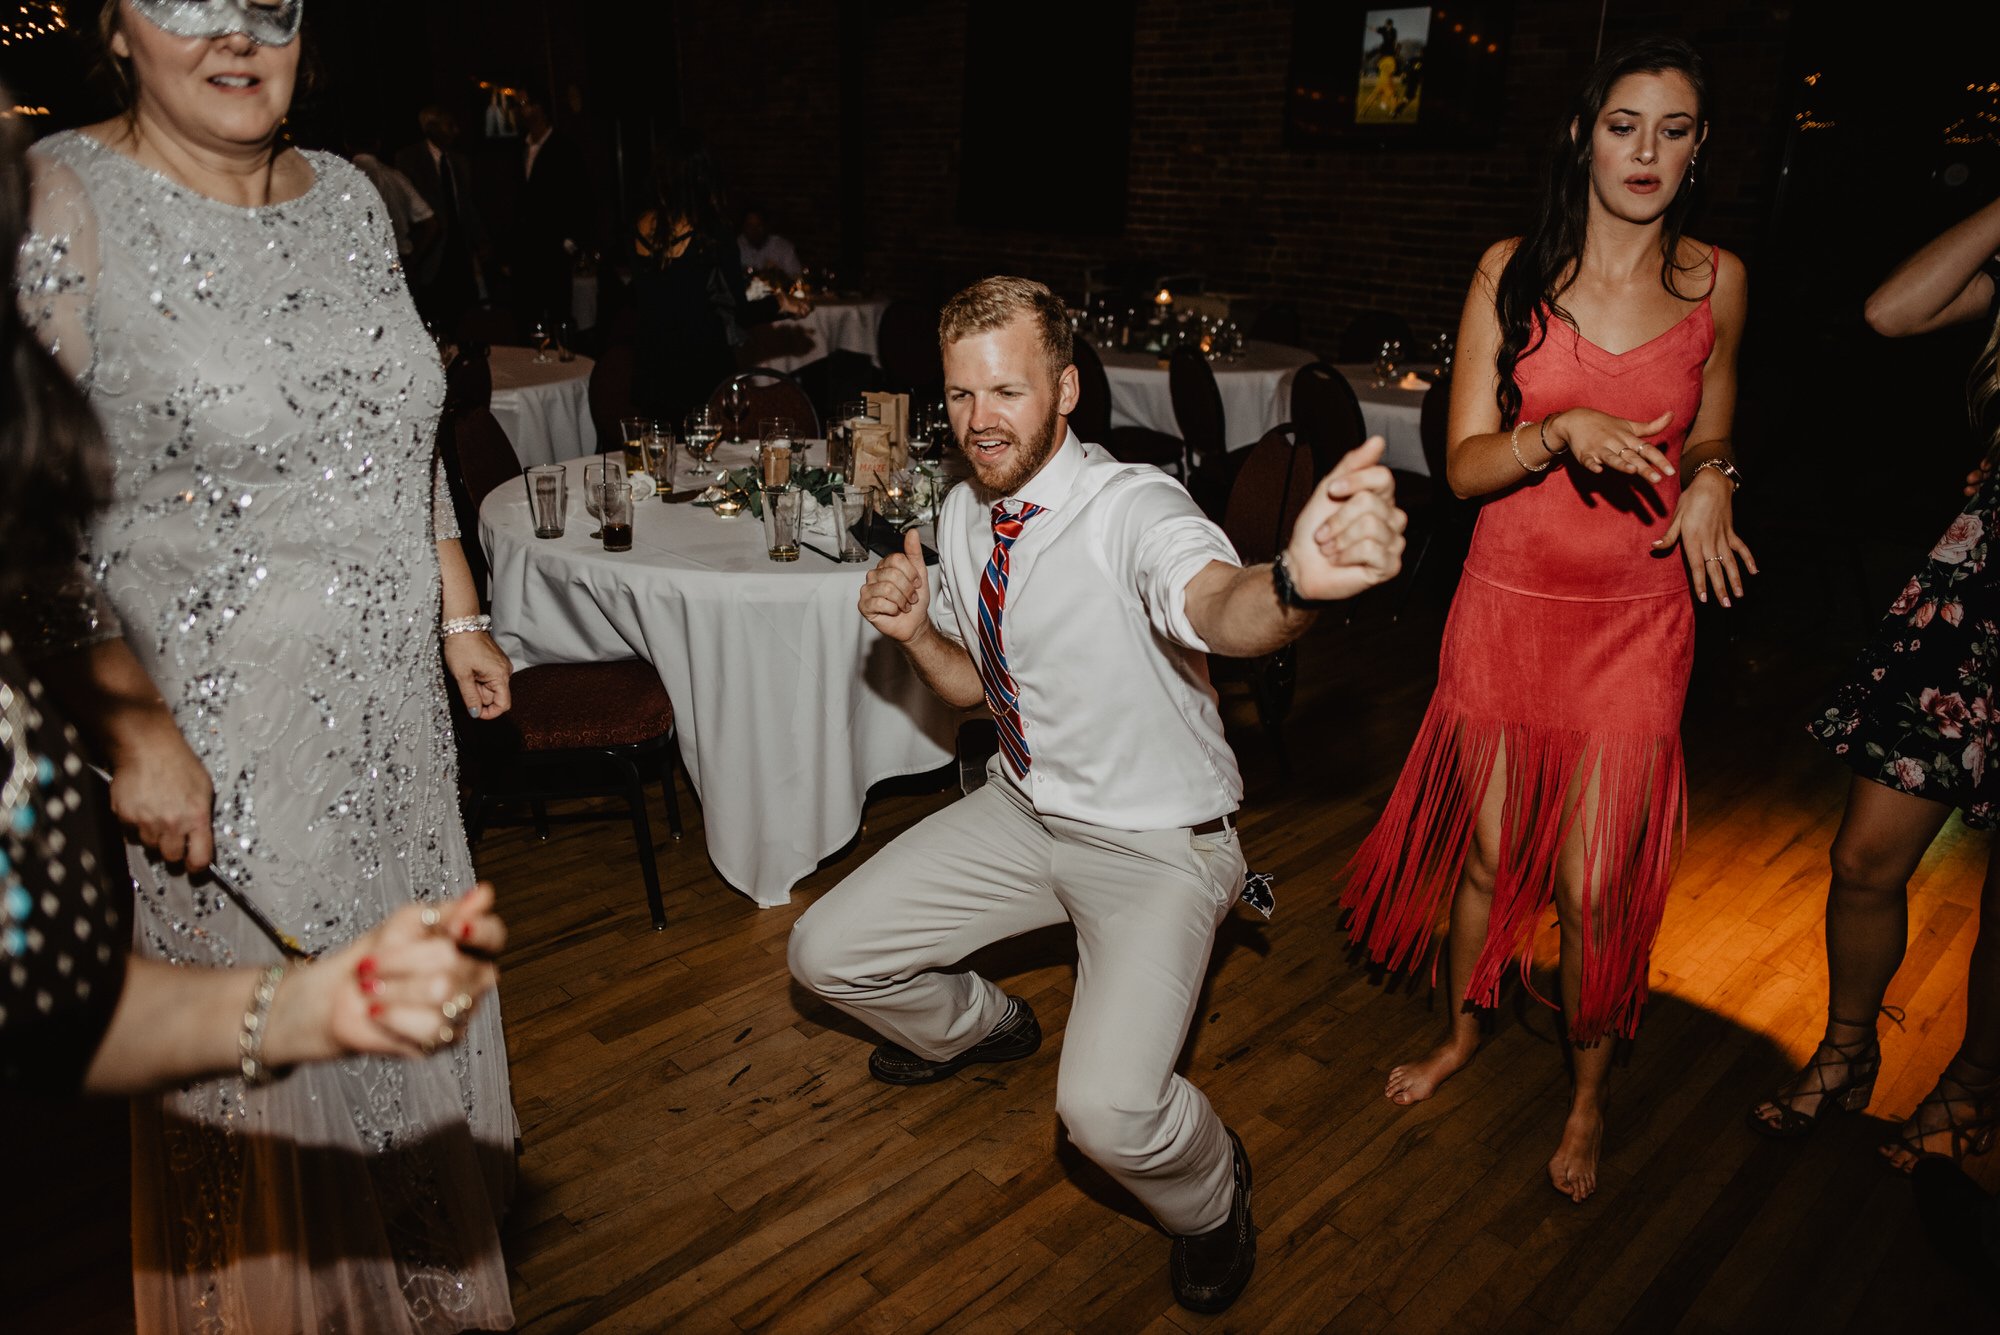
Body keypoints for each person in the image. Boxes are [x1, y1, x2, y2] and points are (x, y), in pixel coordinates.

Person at [17, 4, 518, 1329]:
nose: (236, 34)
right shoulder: (64, 196)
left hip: (398, 746)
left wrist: (458, 604)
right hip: (226, 763)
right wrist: (132, 733)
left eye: (270, 3)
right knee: (286, 1114)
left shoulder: (352, 193)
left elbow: (401, 423)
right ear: (117, 27)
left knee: (409, 1061)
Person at [788, 276, 1407, 1314]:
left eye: (1007, 393)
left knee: (1108, 1113)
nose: (979, 423)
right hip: (1024, 808)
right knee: (823, 954)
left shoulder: (1134, 509)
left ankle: (1211, 1194)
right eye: (958, 397)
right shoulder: (961, 512)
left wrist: (1292, 586)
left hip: (1158, 844)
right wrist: (914, 635)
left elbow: (1215, 605)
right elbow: (978, 694)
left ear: (1067, 388)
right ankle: (982, 1028)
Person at [1340, 36, 1752, 1204]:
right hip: (1506, 603)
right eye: (1624, 124)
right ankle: (1462, 1035)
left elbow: (1712, 428)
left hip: (1636, 612)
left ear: (1697, 150)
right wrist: (1557, 431)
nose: (1645, 152)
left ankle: (1584, 1099)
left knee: (1589, 885)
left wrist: (1716, 473)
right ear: (1582, 134)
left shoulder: (1715, 280)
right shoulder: (1508, 271)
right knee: (1480, 855)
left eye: (1672, 131)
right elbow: (1463, 468)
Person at [1753, 194, 2000, 1169]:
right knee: (1862, 859)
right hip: (1976, 590)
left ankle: (1971, 1085)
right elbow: (1890, 311)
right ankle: (1846, 1052)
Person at [627, 131, 806, 425]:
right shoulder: (712, 233)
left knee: (660, 464)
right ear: (703, 179)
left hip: (653, 372)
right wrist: (780, 303)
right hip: (701, 374)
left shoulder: (640, 226)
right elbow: (740, 311)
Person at [513, 83, 597, 331]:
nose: (520, 111)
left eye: (524, 104)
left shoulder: (564, 148)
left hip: (554, 247)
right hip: (526, 248)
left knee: (559, 310)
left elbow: (580, 197)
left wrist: (570, 241)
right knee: (529, 314)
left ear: (540, 108)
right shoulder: (520, 148)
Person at [395, 105, 486, 330]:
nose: (455, 131)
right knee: (432, 315)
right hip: (431, 250)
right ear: (432, 128)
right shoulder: (409, 159)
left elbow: (467, 206)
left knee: (463, 315)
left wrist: (482, 242)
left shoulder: (459, 162)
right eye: (449, 125)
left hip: (459, 250)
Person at [351, 145, 437, 264]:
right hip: (400, 258)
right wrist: (415, 260)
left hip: (366, 263)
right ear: (377, 143)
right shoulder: (395, 177)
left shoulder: (341, 181)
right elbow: (430, 223)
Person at [736, 203, 800, 282]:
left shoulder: (783, 247)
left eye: (759, 225)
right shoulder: (736, 247)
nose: (754, 230)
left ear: (766, 226)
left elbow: (796, 278)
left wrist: (777, 274)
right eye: (750, 226)